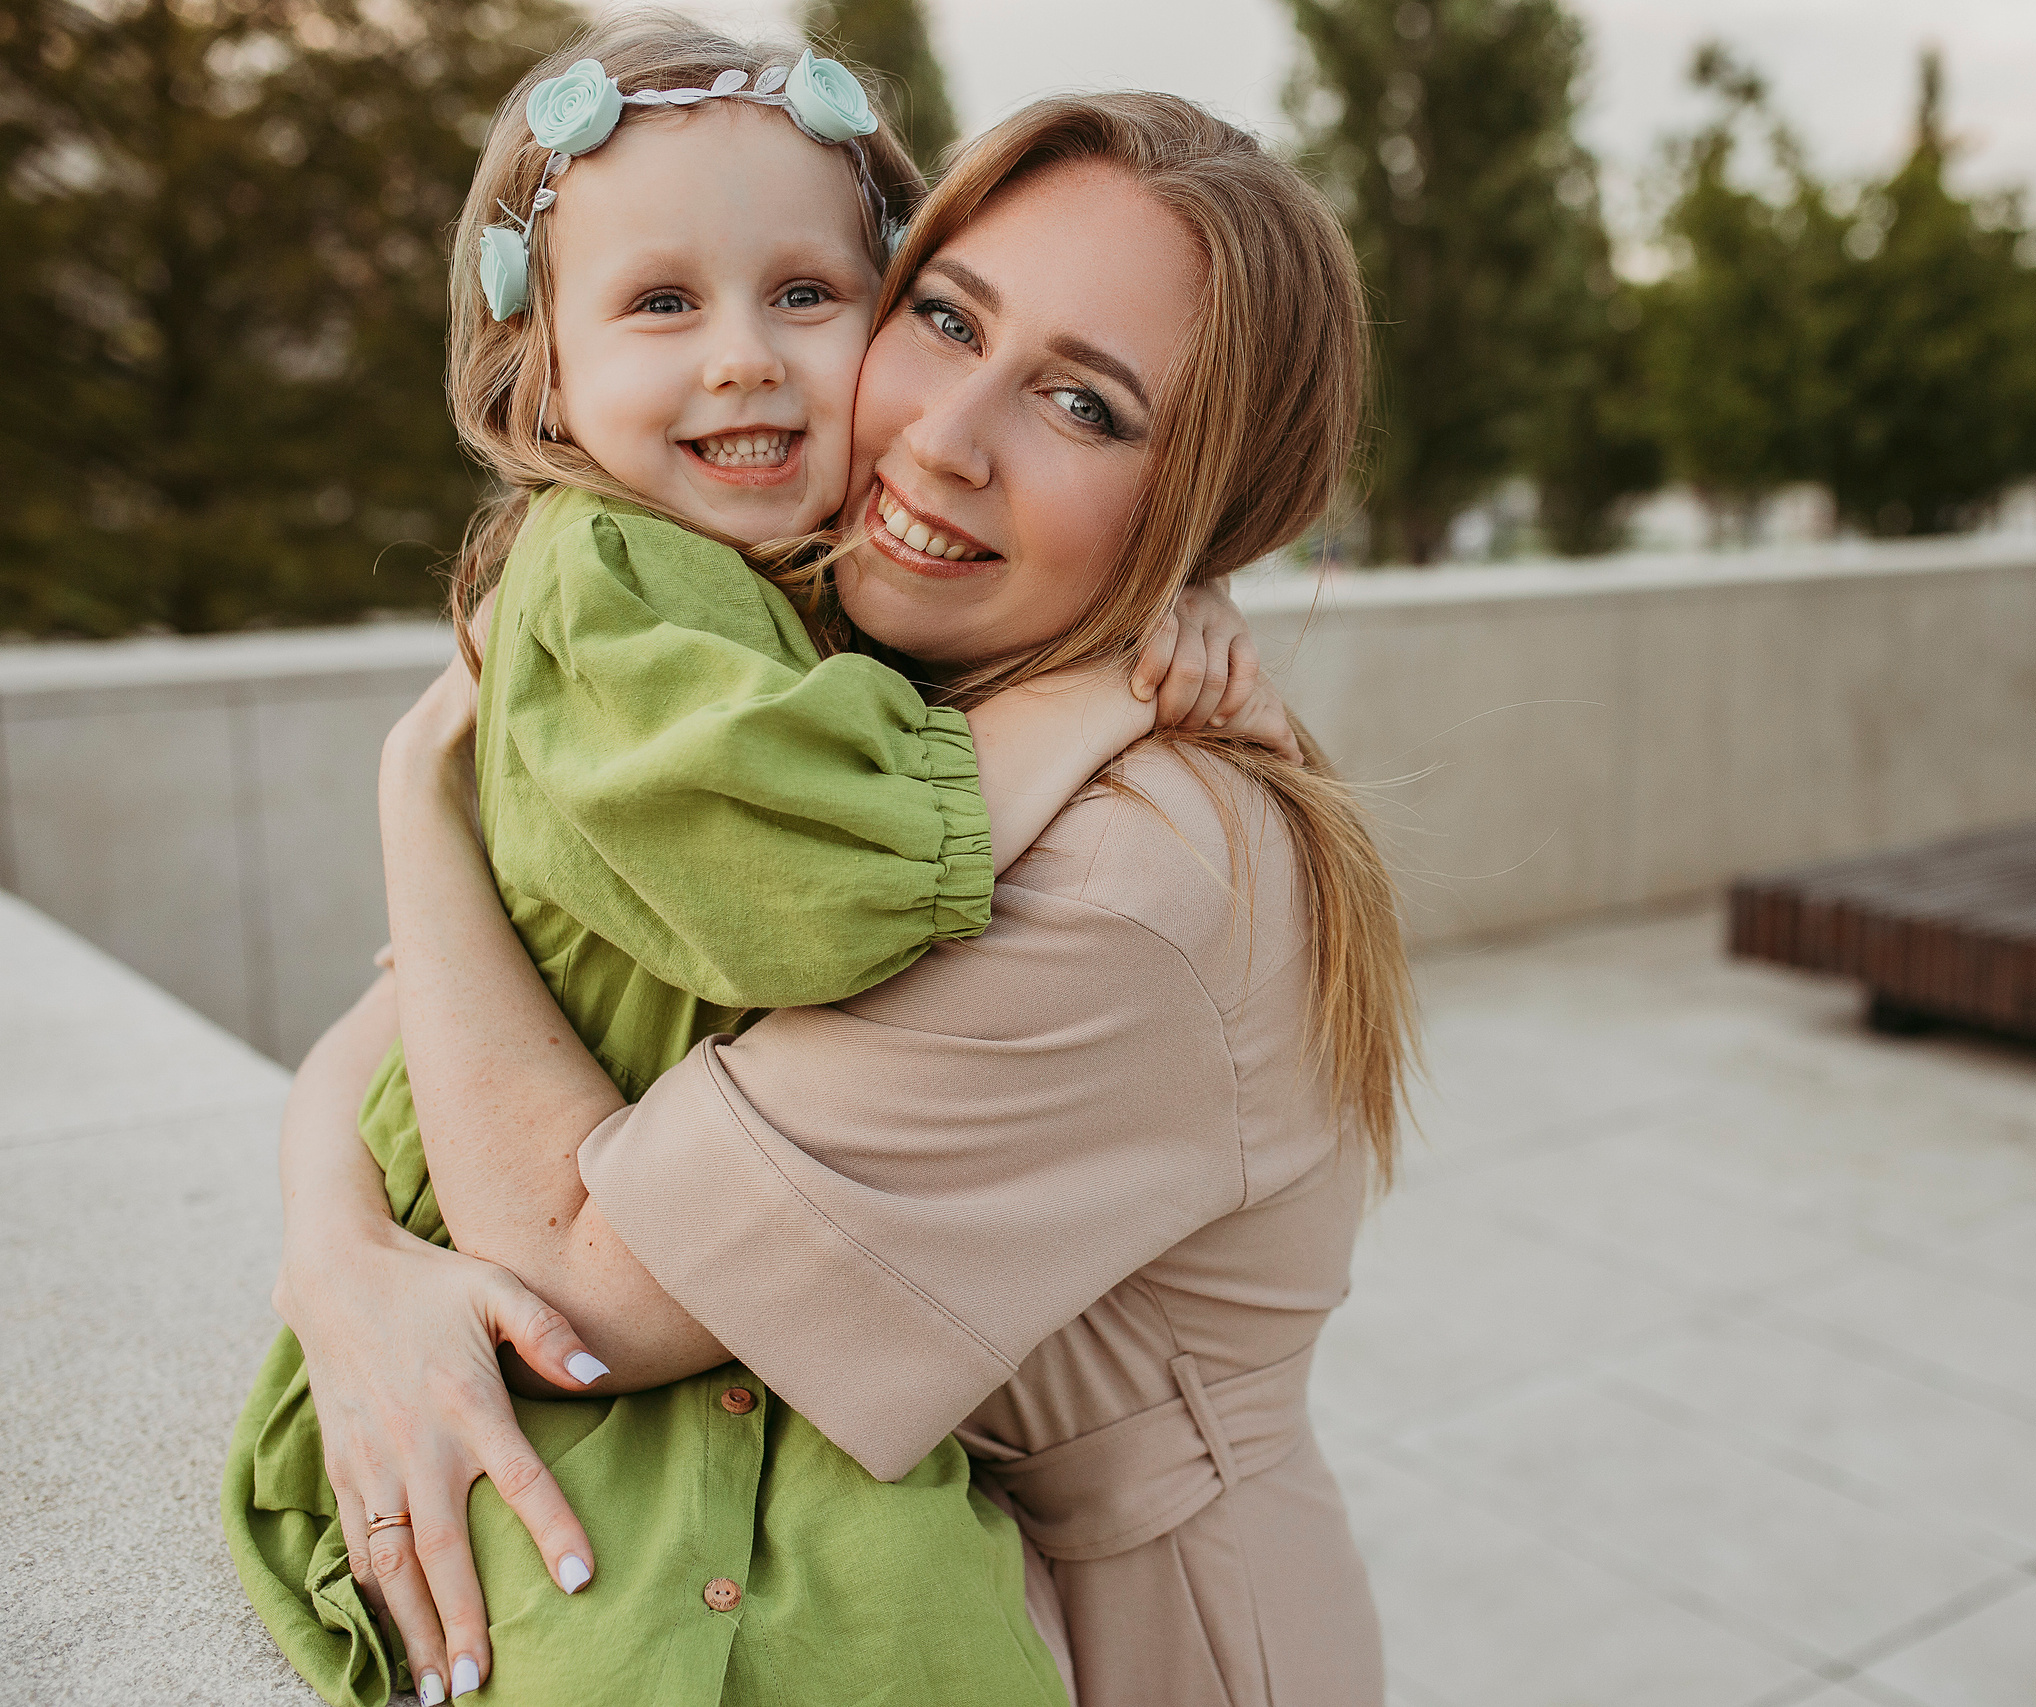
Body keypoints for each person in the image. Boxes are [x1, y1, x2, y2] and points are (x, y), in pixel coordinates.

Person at [273, 87, 1414, 1707]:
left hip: (1147, 1639)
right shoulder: (851, 674)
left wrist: (418, 799)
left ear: (1213, 503)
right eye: (945, 319)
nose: (945, 439)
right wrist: (340, 1260)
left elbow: (578, 1285)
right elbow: (433, 1015)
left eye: (1084, 407)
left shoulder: (1132, 878)